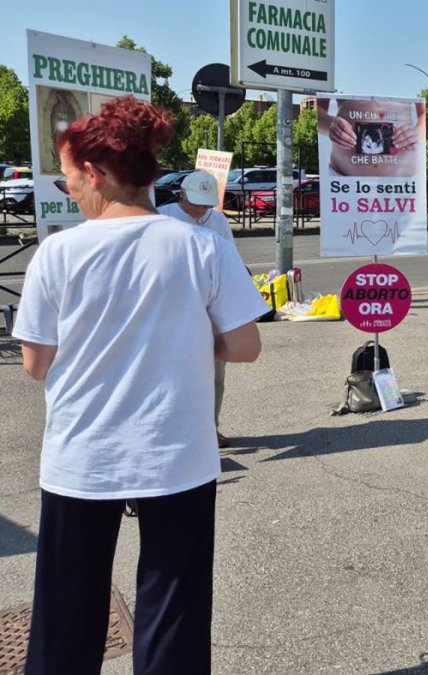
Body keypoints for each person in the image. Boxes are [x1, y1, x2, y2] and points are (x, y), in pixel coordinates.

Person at [12, 96, 267, 673]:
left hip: (82, 455)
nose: (68, 187)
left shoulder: (56, 254)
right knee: (172, 609)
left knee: (65, 611)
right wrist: (179, 341)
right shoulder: (202, 246)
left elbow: (35, 363)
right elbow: (246, 347)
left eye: (69, 175)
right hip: (176, 453)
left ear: (96, 173)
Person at [159, 170, 240, 448]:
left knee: (215, 373)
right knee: (174, 372)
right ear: (181, 195)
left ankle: (210, 428)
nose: (202, 210)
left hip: (212, 306)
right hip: (172, 309)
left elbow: (231, 261)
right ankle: (172, 430)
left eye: (206, 203)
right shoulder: (162, 217)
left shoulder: (217, 220)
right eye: (196, 203)